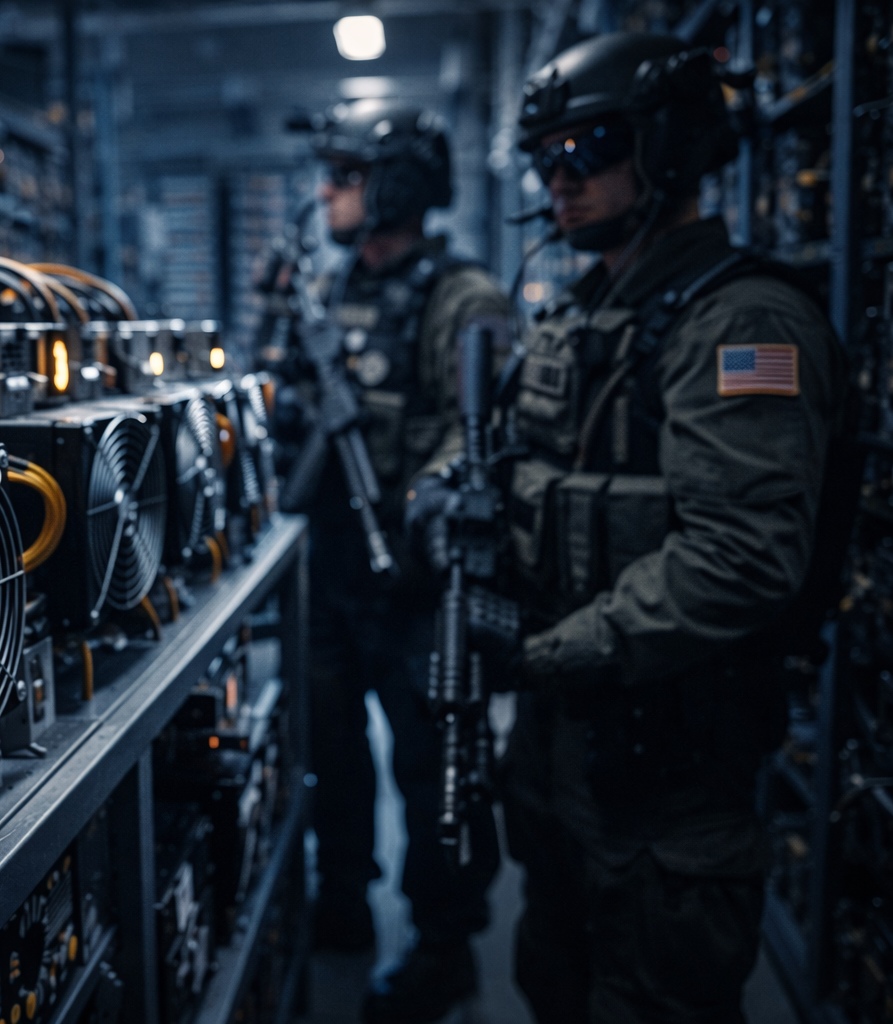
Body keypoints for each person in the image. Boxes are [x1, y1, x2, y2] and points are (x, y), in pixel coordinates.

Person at [493, 32, 846, 1022]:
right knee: (553, 972)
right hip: (564, 737)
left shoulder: (745, 325)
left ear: (671, 147)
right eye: (545, 160)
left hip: (670, 759)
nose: (559, 182)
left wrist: (551, 652)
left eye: (589, 149)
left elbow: (741, 558)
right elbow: (520, 456)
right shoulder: (585, 313)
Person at [288, 102, 511, 1022]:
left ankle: (445, 946)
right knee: (329, 747)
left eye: (343, 176)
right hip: (334, 568)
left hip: (417, 580)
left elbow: (493, 433)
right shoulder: (333, 287)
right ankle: (343, 895)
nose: (327, 193)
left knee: (434, 765)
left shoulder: (465, 299)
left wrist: (422, 495)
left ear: (398, 188)